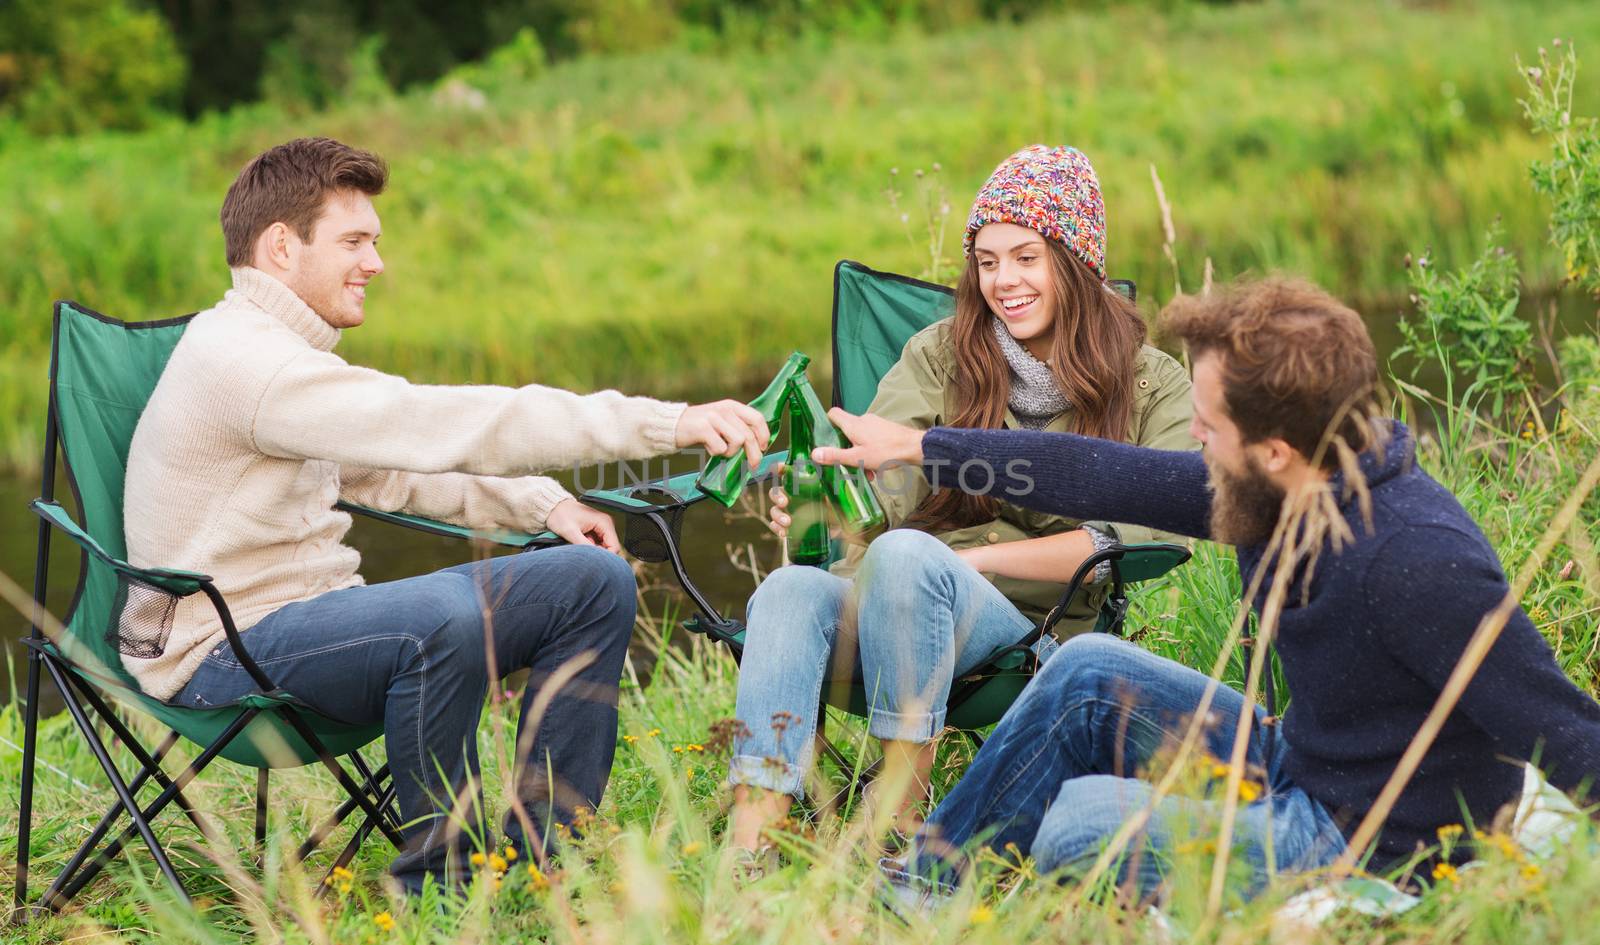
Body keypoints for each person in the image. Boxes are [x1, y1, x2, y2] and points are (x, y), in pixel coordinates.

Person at [123, 136, 772, 894]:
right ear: (279, 247)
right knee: (440, 615)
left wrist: (544, 501)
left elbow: (392, 474)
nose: (376, 263)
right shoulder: (248, 363)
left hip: (319, 621)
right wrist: (663, 423)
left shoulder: (282, 360)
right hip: (222, 650)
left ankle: (543, 847)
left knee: (593, 580)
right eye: (354, 241)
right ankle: (445, 879)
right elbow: (443, 421)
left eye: (376, 242)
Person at [810, 276, 1600, 898]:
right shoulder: (1275, 487)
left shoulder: (1420, 561)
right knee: (1084, 672)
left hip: (1370, 842)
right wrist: (923, 445)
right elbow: (1103, 472)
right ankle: (918, 888)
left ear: (1278, 449)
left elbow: (1562, 728)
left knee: (1081, 827)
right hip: (1299, 759)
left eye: (1211, 427)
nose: (1193, 437)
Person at [725, 145, 1196, 858]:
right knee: (790, 588)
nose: (1003, 281)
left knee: (911, 558)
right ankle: (755, 837)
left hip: (1025, 630)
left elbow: (1142, 534)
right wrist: (829, 503)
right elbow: (881, 494)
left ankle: (900, 818)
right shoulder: (943, 352)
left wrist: (967, 568)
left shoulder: (1151, 383)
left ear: (1076, 261)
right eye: (987, 260)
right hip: (890, 596)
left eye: (1026, 257)